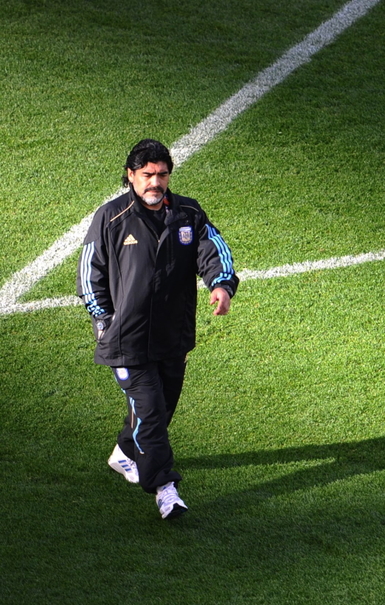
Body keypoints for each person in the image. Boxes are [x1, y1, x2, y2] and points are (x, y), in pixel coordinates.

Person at [77, 139, 239, 519]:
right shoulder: (110, 217)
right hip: (126, 339)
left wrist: (221, 284)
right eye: (147, 174)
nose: (155, 182)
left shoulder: (187, 212)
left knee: (160, 409)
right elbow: (89, 274)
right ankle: (166, 490)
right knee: (150, 412)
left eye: (162, 174)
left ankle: (124, 452)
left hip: (172, 334)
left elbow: (213, 249)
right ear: (131, 176)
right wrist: (104, 321)